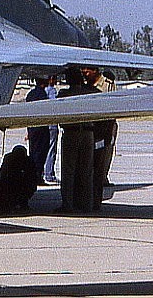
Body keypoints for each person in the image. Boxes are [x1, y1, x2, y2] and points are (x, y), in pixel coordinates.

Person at [56, 67, 99, 213]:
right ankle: (86, 204)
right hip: (88, 133)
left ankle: (68, 204)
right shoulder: (91, 93)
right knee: (86, 171)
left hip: (71, 133)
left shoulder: (64, 94)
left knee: (68, 171)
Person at [25, 78, 50, 184]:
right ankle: (37, 176)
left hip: (32, 127)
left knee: (33, 151)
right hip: (41, 128)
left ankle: (32, 175)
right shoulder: (42, 94)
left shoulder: (30, 94)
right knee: (41, 153)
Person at [43, 75, 59, 184]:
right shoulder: (52, 91)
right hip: (51, 124)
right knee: (51, 149)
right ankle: (49, 173)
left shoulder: (41, 91)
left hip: (42, 124)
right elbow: (53, 105)